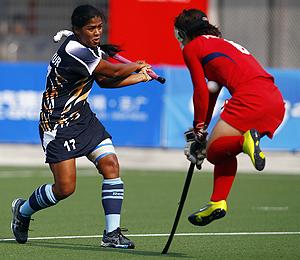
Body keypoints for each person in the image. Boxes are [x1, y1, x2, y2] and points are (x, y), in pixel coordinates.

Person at [11, 4, 153, 249]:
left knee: (111, 165)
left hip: (83, 118)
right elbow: (115, 69)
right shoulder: (76, 50)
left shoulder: (90, 48)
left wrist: (139, 77)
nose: (97, 32)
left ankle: (112, 234)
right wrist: (136, 65)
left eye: (99, 27)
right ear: (77, 30)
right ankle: (23, 211)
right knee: (65, 189)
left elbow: (106, 82)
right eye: (91, 28)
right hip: (57, 125)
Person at [174, 9, 285, 226]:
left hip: (250, 97)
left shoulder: (192, 48)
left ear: (183, 33)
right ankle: (217, 202)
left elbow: (200, 90)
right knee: (223, 149)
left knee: (214, 151)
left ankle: (245, 141)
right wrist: (202, 129)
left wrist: (198, 128)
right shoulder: (224, 44)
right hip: (273, 99)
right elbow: (213, 90)